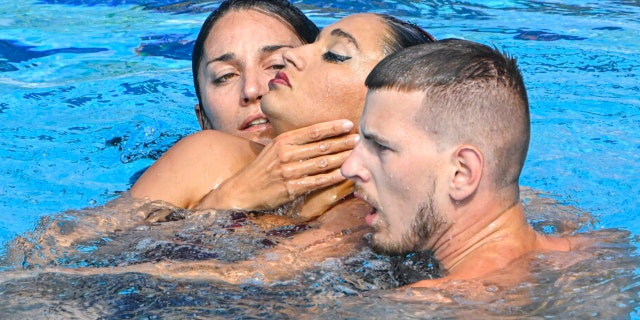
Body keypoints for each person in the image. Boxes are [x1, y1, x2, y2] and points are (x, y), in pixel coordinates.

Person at [131, 13, 436, 220]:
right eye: (225, 75)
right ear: (202, 118)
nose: (253, 89)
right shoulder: (208, 157)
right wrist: (230, 199)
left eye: (335, 54)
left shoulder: (380, 216)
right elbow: (91, 256)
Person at [340, 39, 588, 288]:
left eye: (381, 146)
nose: (349, 167)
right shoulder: (592, 252)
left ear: (462, 173)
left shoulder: (428, 305)